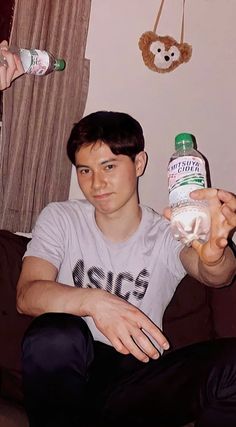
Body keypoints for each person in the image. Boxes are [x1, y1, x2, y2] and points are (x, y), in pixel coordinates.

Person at [1, 43, 236, 427]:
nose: (97, 183)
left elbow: (217, 275)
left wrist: (215, 254)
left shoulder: (167, 229)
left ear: (139, 162)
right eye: (85, 170)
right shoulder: (61, 217)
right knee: (54, 333)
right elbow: (28, 294)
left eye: (109, 165)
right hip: (69, 376)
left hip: (139, 380)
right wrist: (96, 302)